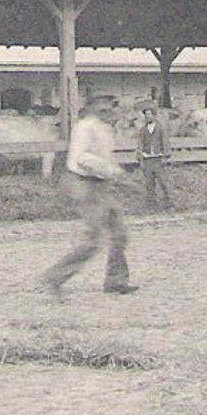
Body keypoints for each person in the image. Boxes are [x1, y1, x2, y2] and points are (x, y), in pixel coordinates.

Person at [43, 95, 137, 297]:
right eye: (102, 108)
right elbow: (82, 158)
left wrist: (114, 174)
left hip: (101, 185)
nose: (108, 111)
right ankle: (56, 276)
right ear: (92, 108)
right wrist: (112, 172)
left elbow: (105, 158)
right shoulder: (84, 128)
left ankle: (116, 280)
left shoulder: (105, 129)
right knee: (94, 239)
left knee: (119, 233)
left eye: (110, 107)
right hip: (84, 184)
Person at [135, 100, 173, 210]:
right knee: (149, 184)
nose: (147, 117)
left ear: (154, 116)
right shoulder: (143, 130)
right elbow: (140, 144)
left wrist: (165, 156)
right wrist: (140, 158)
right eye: (145, 115)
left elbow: (165, 141)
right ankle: (152, 205)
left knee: (163, 182)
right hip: (148, 160)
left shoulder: (160, 129)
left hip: (158, 159)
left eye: (149, 114)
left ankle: (168, 203)